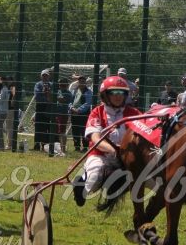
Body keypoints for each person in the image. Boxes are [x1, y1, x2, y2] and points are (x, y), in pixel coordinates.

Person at [72, 76, 142, 206]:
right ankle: (80, 188)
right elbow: (95, 139)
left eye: (121, 92)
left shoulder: (134, 113)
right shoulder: (97, 112)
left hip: (128, 157)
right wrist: (115, 151)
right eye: (113, 92)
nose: (118, 96)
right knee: (94, 179)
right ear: (105, 95)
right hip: (100, 155)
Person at [68, 75, 93, 152]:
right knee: (75, 130)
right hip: (74, 113)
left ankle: (85, 147)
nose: (81, 83)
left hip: (83, 114)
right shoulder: (74, 91)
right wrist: (71, 108)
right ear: (78, 82)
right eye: (80, 81)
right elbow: (70, 101)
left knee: (84, 130)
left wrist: (78, 110)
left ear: (85, 82)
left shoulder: (88, 92)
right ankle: (77, 146)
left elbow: (87, 103)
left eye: (83, 81)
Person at [33, 68, 53, 152]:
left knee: (48, 126)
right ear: (41, 76)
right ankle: (37, 144)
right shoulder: (38, 84)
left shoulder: (52, 84)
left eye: (46, 75)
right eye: (43, 75)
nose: (45, 77)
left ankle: (46, 145)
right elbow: (37, 96)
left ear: (49, 76)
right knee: (38, 126)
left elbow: (54, 96)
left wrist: (47, 96)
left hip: (49, 108)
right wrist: (46, 95)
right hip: (40, 107)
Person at [52, 77, 72, 156]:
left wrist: (53, 94)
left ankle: (63, 149)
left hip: (63, 114)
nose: (61, 85)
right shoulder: (58, 91)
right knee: (56, 131)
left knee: (62, 132)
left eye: (63, 84)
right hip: (56, 113)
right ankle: (58, 148)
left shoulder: (68, 93)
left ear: (67, 85)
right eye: (60, 83)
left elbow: (62, 100)